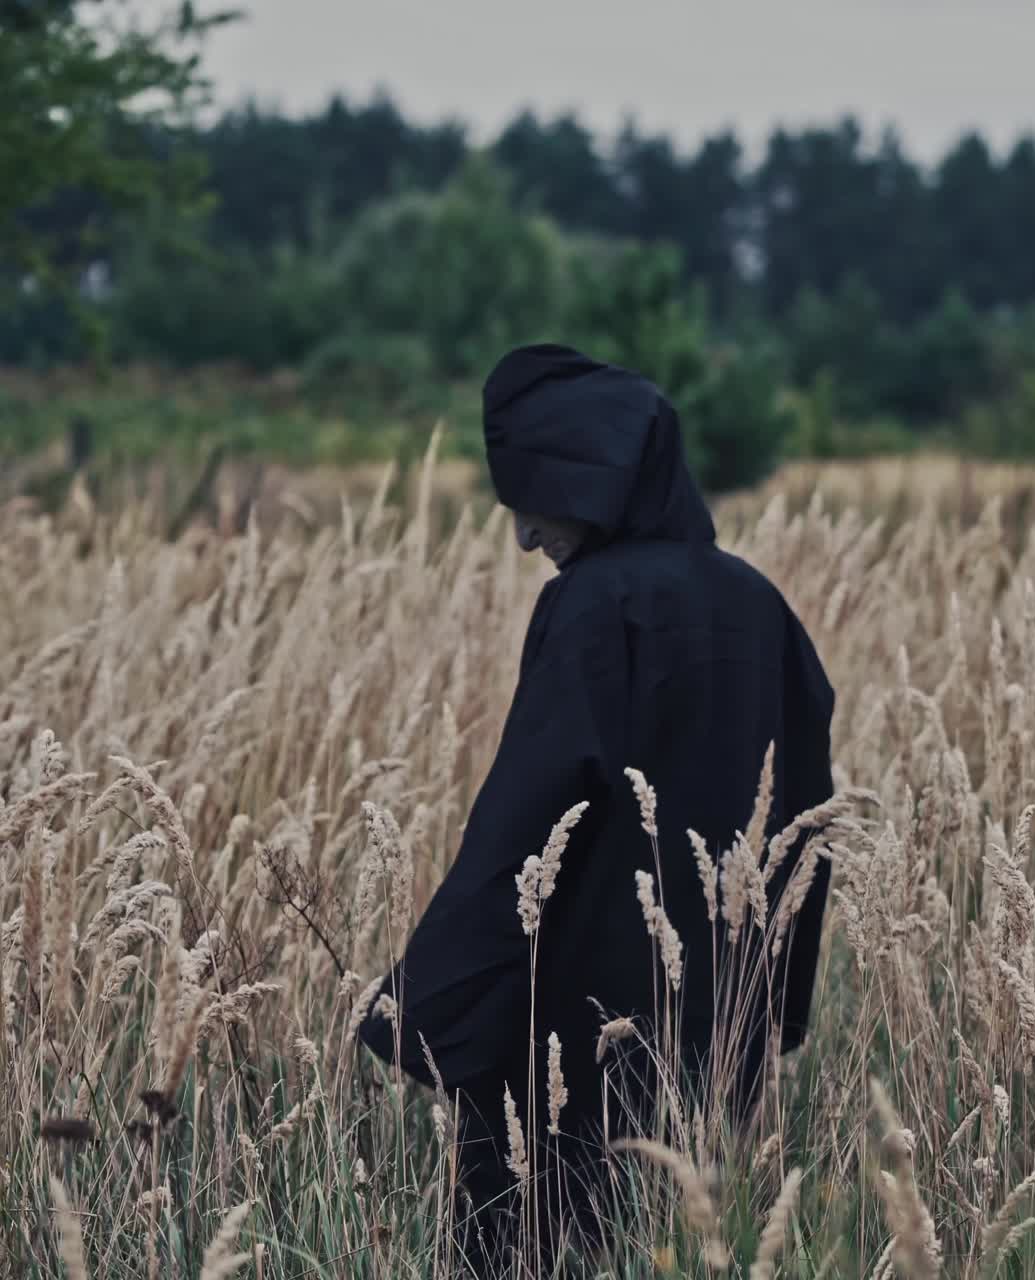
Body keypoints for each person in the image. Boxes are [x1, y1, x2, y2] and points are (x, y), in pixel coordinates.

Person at [359, 344, 836, 1272]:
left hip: (578, 1011)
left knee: (535, 1235)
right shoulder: (762, 605)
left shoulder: (591, 604)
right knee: (678, 1234)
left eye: (537, 504)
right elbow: (808, 813)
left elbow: (527, 812)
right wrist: (773, 999)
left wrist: (427, 1000)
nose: (524, 539)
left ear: (598, 486)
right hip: (717, 1008)